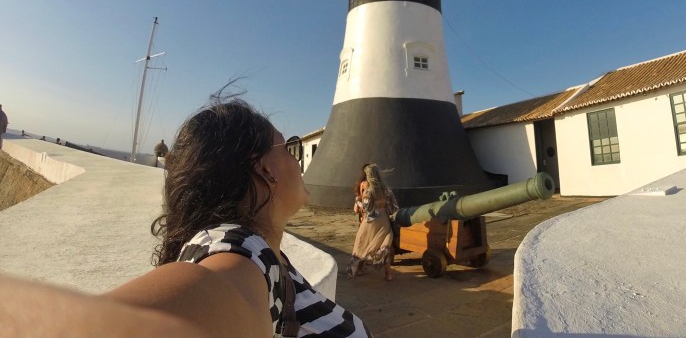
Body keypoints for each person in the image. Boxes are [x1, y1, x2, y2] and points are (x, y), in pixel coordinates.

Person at [1, 98, 372, 337]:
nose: (296, 157)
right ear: (263, 169)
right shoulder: (241, 252)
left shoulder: (266, 255)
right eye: (286, 147)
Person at [347, 164, 398, 282]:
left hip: (370, 221)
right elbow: (394, 207)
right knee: (384, 247)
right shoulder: (386, 190)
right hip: (384, 220)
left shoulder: (369, 191)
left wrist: (357, 201)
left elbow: (366, 208)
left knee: (361, 244)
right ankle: (388, 274)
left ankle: (357, 270)